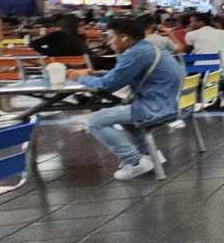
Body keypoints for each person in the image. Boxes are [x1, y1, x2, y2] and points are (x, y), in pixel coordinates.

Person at [68, 17, 184, 180]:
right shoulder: (149, 48)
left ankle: (135, 162)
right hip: (169, 103)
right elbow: (118, 76)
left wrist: (79, 77)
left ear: (124, 37)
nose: (109, 42)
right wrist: (97, 74)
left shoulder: (135, 53)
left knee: (95, 121)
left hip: (156, 107)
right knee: (122, 116)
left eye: (110, 37)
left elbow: (106, 85)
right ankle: (150, 155)